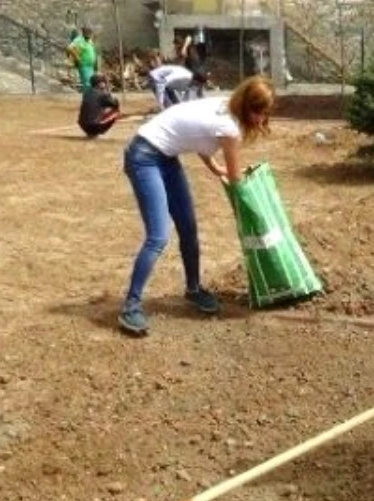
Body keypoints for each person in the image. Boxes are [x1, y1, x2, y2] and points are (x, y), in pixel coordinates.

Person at [117, 76, 275, 335]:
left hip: (166, 157)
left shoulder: (226, 106)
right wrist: (251, 215)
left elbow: (198, 136)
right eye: (256, 112)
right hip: (143, 156)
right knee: (158, 236)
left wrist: (214, 167)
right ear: (245, 105)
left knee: (188, 228)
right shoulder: (229, 126)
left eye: (265, 113)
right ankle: (130, 306)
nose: (260, 119)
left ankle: (193, 289)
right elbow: (236, 181)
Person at [78, 74, 120, 138]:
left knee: (98, 110)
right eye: (104, 82)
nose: (105, 84)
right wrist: (109, 92)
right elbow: (115, 104)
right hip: (94, 126)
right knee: (116, 112)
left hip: (82, 125)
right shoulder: (104, 94)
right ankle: (97, 132)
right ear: (100, 83)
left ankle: (90, 133)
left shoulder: (87, 92)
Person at [66, 26, 98, 92]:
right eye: (87, 33)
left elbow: (92, 51)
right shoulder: (78, 40)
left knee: (92, 82)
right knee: (87, 83)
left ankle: (90, 98)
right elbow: (69, 48)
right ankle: (87, 99)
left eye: (90, 33)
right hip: (84, 64)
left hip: (91, 65)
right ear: (83, 33)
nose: (89, 35)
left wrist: (95, 64)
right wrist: (77, 57)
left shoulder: (90, 40)